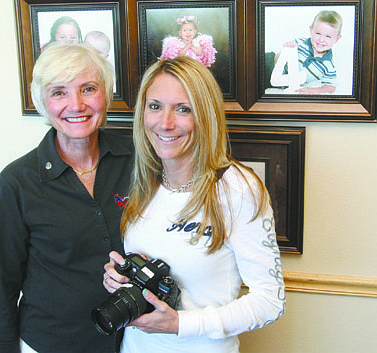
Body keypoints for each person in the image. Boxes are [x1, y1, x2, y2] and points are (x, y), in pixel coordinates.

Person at [102, 56, 285, 353]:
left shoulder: (237, 189)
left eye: (183, 109)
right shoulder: (142, 180)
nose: (165, 123)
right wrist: (120, 279)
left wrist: (181, 324)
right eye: (155, 106)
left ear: (205, 115)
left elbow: (270, 301)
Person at [0, 43, 134, 353]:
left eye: (88, 88)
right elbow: (2, 283)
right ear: (43, 102)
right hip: (55, 342)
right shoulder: (17, 182)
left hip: (137, 337)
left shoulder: (137, 161)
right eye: (59, 92)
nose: (76, 104)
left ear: (105, 94)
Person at [270, 10, 342, 94]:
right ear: (311, 30)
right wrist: (286, 50)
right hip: (269, 66)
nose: (321, 40)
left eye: (328, 36)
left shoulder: (328, 65)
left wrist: (312, 91)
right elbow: (276, 59)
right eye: (318, 33)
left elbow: (331, 87)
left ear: (336, 39)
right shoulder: (300, 43)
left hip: (284, 85)